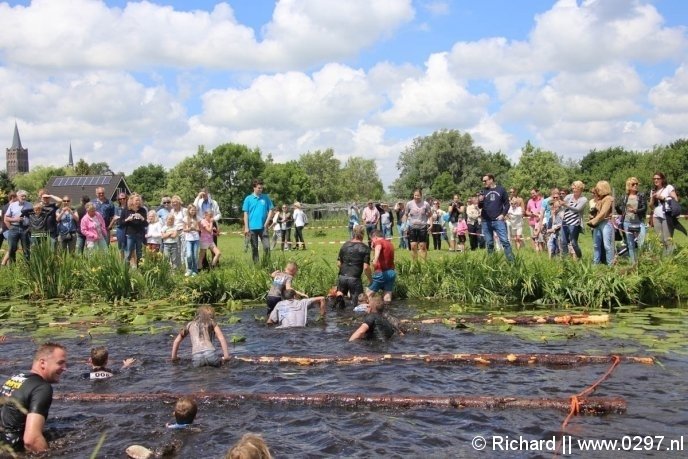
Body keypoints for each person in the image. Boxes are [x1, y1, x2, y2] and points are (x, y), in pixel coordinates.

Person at [1, 342, 67, 453]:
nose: (64, 368)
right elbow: (31, 440)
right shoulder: (42, 388)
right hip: (13, 450)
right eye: (60, 363)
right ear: (42, 363)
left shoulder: (15, 378)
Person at [478, 174, 514, 262]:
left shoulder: (501, 189)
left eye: (485, 181)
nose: (483, 183)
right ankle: (492, 263)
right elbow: (480, 206)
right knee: (490, 243)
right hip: (486, 221)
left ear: (491, 180)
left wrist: (503, 214)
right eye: (483, 181)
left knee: (505, 241)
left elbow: (507, 204)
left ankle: (512, 262)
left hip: (498, 221)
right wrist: (480, 200)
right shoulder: (483, 191)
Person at [335, 224, 372, 309]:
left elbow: (338, 263)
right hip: (355, 279)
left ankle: (340, 319)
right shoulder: (365, 248)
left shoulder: (345, 245)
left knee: (339, 303)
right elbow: (366, 267)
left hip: (342, 277)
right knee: (358, 305)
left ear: (353, 233)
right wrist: (370, 280)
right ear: (363, 234)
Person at [615, 177, 647, 264]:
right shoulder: (625, 197)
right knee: (630, 244)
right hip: (627, 222)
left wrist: (636, 211)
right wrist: (616, 206)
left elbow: (644, 208)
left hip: (639, 222)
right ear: (629, 186)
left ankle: (642, 262)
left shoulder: (641, 195)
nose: (636, 185)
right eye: (633, 184)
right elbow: (620, 211)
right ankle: (633, 263)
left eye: (637, 184)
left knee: (641, 243)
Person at [243, 178, 274, 264]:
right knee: (254, 248)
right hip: (252, 228)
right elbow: (246, 214)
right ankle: (256, 266)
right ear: (254, 187)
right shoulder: (248, 199)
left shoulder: (265, 198)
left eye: (261, 188)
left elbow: (271, 209)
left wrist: (267, 222)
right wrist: (246, 227)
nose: (261, 189)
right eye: (259, 188)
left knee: (267, 247)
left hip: (263, 228)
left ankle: (267, 264)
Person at [649, 172, 680, 256]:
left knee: (667, 240)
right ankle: (661, 260)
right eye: (654, 179)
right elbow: (651, 206)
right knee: (659, 240)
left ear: (662, 179)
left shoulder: (668, 187)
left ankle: (668, 261)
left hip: (667, 215)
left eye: (658, 178)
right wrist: (652, 198)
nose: (656, 180)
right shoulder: (653, 190)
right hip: (656, 216)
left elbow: (675, 200)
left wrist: (663, 198)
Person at [587, 180, 615, 265]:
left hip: (605, 222)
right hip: (598, 223)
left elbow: (603, 212)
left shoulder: (608, 198)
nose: (597, 190)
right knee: (596, 245)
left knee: (607, 245)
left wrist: (593, 221)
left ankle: (610, 264)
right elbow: (597, 211)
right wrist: (592, 216)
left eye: (598, 188)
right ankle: (596, 263)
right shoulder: (599, 199)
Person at [366, 229, 396, 303]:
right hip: (391, 272)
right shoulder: (389, 243)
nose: (372, 242)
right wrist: (373, 249)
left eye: (371, 239)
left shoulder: (378, 242)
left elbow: (378, 247)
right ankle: (387, 312)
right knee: (387, 296)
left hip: (381, 273)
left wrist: (375, 259)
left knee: (368, 294)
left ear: (375, 237)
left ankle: (370, 312)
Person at [561, 181, 588, 260]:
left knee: (573, 243)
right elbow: (562, 205)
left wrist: (566, 205)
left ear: (579, 189)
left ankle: (580, 258)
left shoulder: (583, 199)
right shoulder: (569, 196)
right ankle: (565, 260)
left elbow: (578, 209)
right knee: (563, 242)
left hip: (575, 222)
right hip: (565, 221)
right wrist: (559, 203)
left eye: (575, 188)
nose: (573, 189)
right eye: (572, 188)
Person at [3, 190, 32, 263]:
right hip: (14, 228)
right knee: (12, 248)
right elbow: (6, 218)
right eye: (22, 196)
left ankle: (27, 267)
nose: (24, 197)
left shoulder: (30, 205)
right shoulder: (12, 205)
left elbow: (33, 216)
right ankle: (12, 267)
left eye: (25, 196)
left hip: (25, 228)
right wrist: (15, 220)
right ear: (18, 196)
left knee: (26, 249)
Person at [404, 189, 432, 261]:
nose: (416, 197)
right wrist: (405, 226)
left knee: (422, 246)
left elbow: (430, 215)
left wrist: (431, 224)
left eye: (418, 195)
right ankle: (415, 263)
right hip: (412, 227)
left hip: (422, 227)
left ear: (421, 195)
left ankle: (423, 263)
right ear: (413, 195)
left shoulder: (426, 204)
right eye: (415, 195)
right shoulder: (409, 204)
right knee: (413, 246)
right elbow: (406, 215)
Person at [121, 194, 148, 267]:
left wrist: (141, 218)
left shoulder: (142, 210)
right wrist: (128, 219)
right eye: (136, 200)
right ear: (132, 201)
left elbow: (146, 224)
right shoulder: (126, 210)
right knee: (129, 252)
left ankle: (141, 270)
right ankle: (125, 270)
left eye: (139, 200)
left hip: (139, 234)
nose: (138, 202)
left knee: (139, 253)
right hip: (130, 234)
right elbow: (120, 223)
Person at [183, 205, 200, 276]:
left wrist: (195, 229)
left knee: (194, 255)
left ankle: (195, 270)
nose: (193, 211)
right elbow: (184, 229)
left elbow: (199, 229)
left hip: (196, 239)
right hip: (188, 239)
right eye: (191, 210)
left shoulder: (197, 218)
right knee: (189, 255)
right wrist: (189, 229)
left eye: (194, 210)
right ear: (189, 211)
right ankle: (189, 269)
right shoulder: (185, 218)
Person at [111, 193, 128, 258]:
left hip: (128, 228)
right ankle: (122, 262)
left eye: (124, 198)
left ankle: (129, 262)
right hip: (120, 228)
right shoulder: (117, 208)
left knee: (128, 246)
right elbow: (115, 218)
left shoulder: (129, 207)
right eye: (120, 199)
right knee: (121, 246)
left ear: (126, 198)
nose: (122, 200)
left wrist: (120, 218)